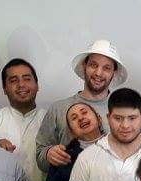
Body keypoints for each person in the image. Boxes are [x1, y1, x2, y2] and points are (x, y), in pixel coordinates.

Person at [36, 40, 126, 173]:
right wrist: (48, 154)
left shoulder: (124, 112)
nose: (98, 73)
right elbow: (40, 157)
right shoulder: (58, 109)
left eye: (106, 68)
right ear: (84, 66)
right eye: (93, 65)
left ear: (114, 72)